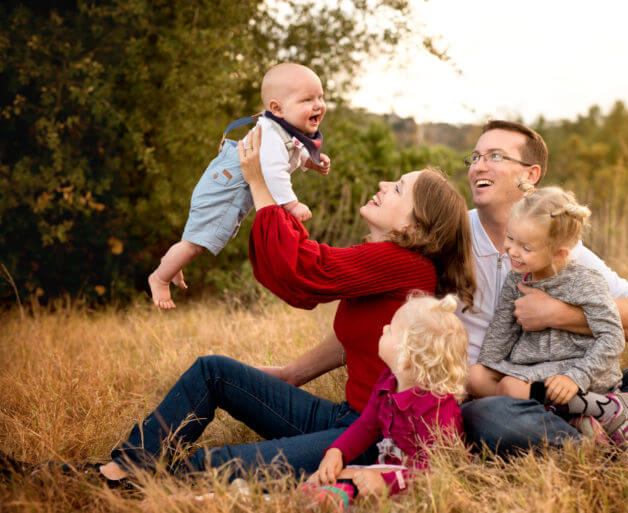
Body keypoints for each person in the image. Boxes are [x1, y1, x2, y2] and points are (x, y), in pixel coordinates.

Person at [97, 127, 476, 484]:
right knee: (213, 372)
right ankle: (123, 468)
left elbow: (307, 270)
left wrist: (262, 186)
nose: (382, 185)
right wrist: (293, 374)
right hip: (345, 418)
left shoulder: (403, 263)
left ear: (418, 227)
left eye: (397, 188)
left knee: (213, 465)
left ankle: (122, 478)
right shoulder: (389, 261)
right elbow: (356, 335)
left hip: (371, 439)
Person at [458, 120, 628, 453]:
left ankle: (575, 440)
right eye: (474, 157)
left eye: (495, 156)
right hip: (497, 390)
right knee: (487, 417)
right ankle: (599, 446)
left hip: (573, 381)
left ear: (530, 175)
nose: (479, 166)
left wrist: (557, 314)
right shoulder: (453, 233)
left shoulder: (565, 251)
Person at [467, 185, 628, 455]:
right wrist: (487, 370)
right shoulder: (517, 276)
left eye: (525, 247)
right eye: (510, 239)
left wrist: (575, 378)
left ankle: (608, 409)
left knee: (509, 388)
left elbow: (612, 338)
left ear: (559, 253)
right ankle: (574, 420)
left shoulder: (585, 282)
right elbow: (501, 330)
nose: (512, 252)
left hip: (581, 371)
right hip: (535, 368)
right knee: (476, 377)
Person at [149, 63, 331, 309]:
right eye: (308, 99)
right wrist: (292, 204)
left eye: (320, 96)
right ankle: (159, 277)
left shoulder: (287, 129)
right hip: (226, 185)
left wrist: (310, 163)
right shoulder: (272, 134)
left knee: (196, 243)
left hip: (233, 184)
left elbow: (293, 154)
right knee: (195, 244)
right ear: (277, 108)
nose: (318, 104)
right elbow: (273, 171)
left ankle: (173, 265)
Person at [302, 293, 467, 508]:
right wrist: (337, 451)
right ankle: (301, 498)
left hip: (413, 485)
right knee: (325, 477)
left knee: (348, 483)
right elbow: (366, 426)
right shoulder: (387, 382)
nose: (383, 329)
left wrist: (384, 482)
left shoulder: (436, 407)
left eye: (391, 330)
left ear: (407, 356)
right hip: (387, 470)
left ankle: (324, 501)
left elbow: (437, 472)